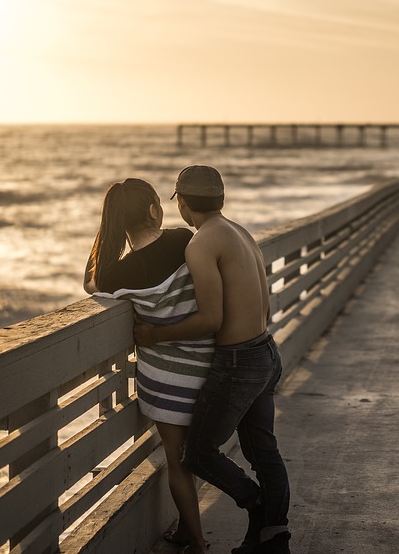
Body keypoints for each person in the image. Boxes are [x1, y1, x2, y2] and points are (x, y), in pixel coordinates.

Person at [134, 165, 291, 554]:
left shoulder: (201, 243)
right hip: (266, 350)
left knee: (198, 454)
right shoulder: (240, 232)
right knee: (262, 452)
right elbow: (266, 305)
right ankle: (273, 538)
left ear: (183, 203)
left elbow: (211, 319)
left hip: (238, 363)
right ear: (220, 199)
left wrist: (155, 334)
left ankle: (258, 507)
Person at [83, 178, 212, 554]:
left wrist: (105, 241)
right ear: (156, 210)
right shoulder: (183, 241)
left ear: (117, 223)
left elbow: (90, 284)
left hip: (162, 378)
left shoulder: (117, 275)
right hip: (204, 364)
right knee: (201, 451)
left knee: (177, 460)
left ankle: (196, 540)